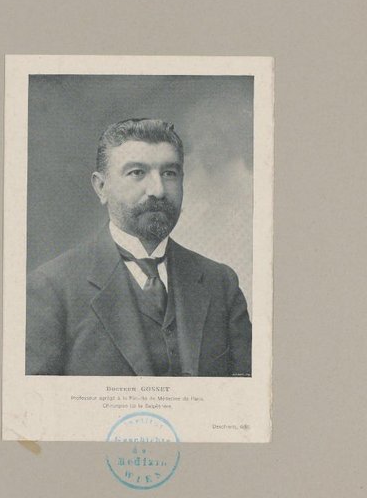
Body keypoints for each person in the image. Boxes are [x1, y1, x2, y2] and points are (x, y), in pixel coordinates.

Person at [25, 118, 251, 376]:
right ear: (101, 187)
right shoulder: (52, 289)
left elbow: (244, 393)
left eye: (169, 173)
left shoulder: (220, 283)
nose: (158, 190)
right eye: (137, 173)